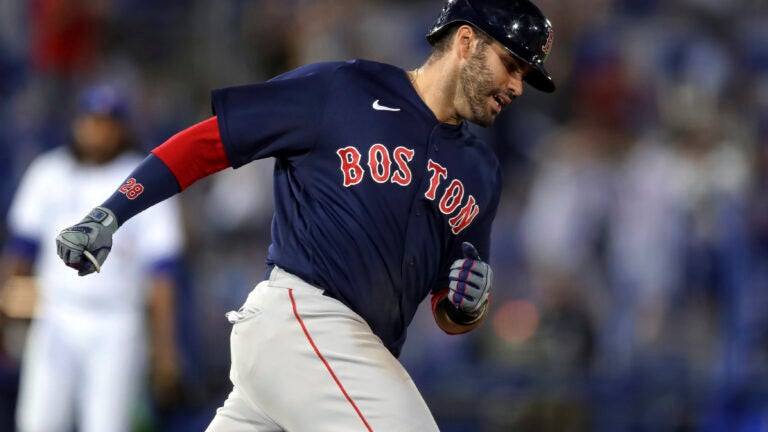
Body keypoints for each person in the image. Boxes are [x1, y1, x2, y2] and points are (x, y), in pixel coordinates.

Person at [54, 0, 556, 430]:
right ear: (466, 41)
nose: (516, 85)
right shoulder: (343, 89)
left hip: (331, 360)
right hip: (306, 321)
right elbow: (211, 143)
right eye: (511, 63)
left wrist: (466, 306)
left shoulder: (481, 172)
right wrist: (112, 212)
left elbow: (451, 307)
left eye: (525, 75)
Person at [3, 83, 184, 431]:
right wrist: (7, 317)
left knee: (107, 425)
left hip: (117, 323)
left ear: (122, 128)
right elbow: (20, 255)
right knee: (38, 422)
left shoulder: (144, 180)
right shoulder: (49, 171)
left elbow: (163, 274)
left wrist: (164, 350)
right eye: (91, 120)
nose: (97, 130)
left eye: (107, 122)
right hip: (55, 315)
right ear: (77, 122)